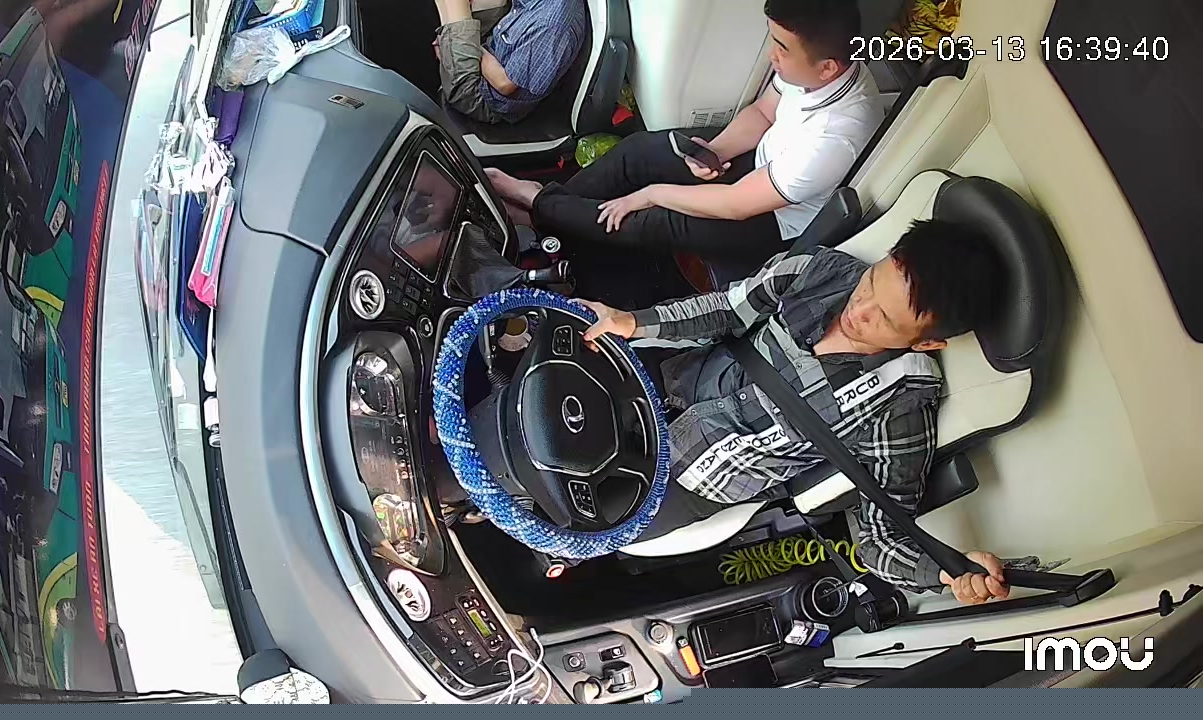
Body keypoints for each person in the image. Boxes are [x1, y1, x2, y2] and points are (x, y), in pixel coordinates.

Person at [580, 219, 1013, 606]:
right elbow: (727, 309)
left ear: (927, 343)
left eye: (884, 318)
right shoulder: (818, 269)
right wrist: (633, 322)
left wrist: (944, 569)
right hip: (672, 380)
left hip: (694, 477)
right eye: (870, 284)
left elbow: (878, 538)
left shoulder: (900, 403)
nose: (858, 310)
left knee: (580, 522)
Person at [486, 0, 885, 269]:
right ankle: (548, 214)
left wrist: (653, 193)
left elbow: (736, 205)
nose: (771, 55)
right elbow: (765, 111)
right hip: (763, 163)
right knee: (642, 150)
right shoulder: (815, 71)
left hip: (773, 219)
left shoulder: (834, 138)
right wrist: (716, 150)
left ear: (827, 67)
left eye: (781, 48)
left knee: (651, 218)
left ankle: (536, 202)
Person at [433, 0, 587, 125]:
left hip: (482, 96)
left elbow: (504, 84)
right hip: (491, 52)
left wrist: (465, 44)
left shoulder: (551, 26)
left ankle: (448, 42)